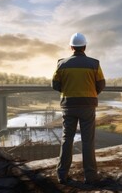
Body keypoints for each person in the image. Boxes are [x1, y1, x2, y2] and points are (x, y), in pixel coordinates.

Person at [52, 32, 106, 184]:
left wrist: (68, 90)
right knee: (88, 141)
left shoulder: (61, 64)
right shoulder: (94, 64)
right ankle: (90, 176)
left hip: (68, 106)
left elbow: (55, 84)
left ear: (71, 47)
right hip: (88, 107)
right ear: (85, 46)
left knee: (66, 139)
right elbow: (101, 84)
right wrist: (91, 93)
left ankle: (62, 175)